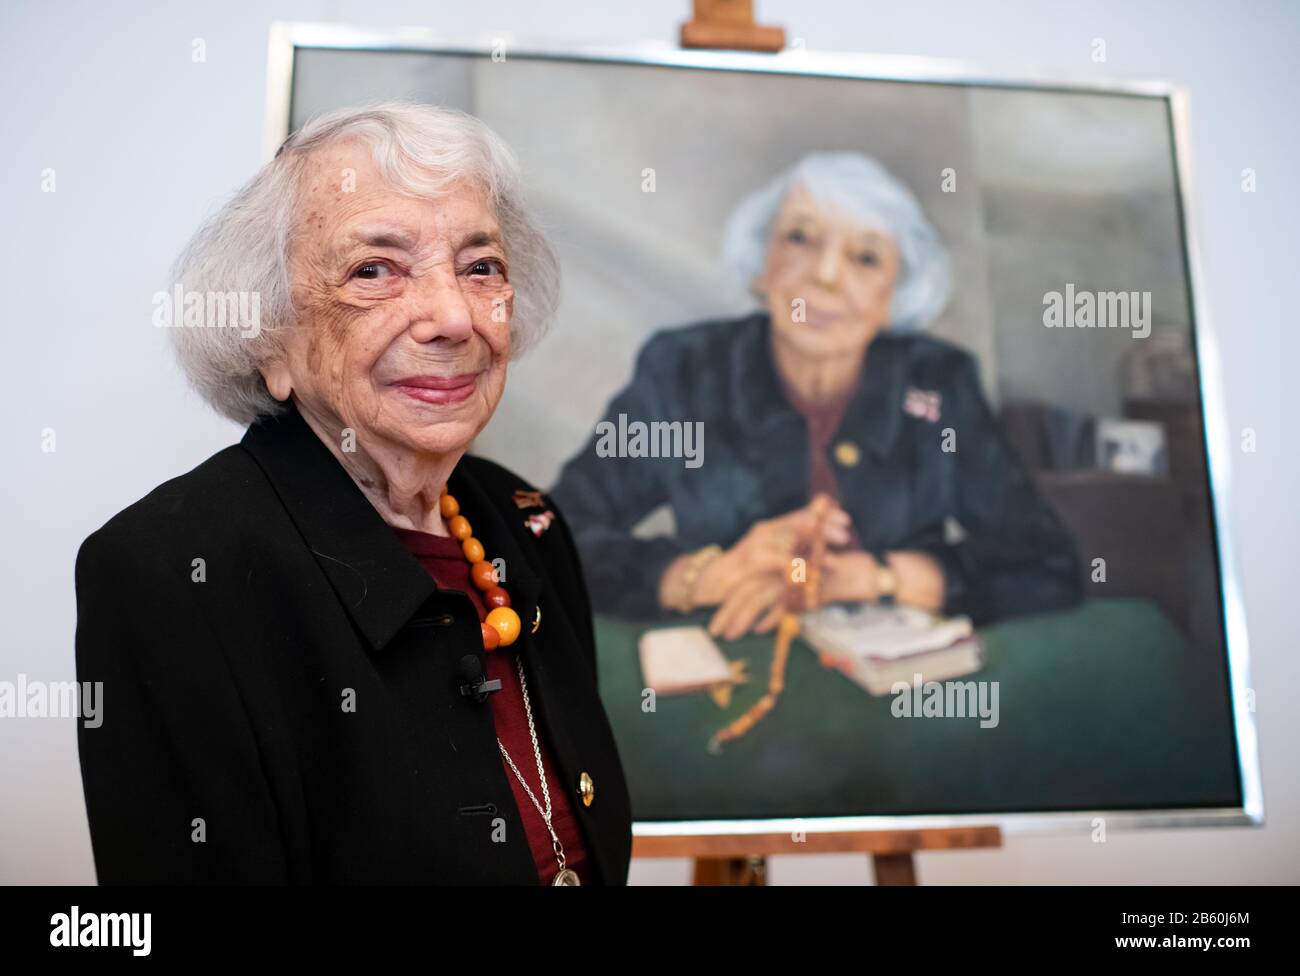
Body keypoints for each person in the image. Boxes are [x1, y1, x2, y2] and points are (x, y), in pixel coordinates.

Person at [74, 102, 632, 885]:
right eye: (375, 269)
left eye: (480, 267)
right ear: (271, 341)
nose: (452, 317)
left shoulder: (524, 520)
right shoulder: (171, 570)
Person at [550, 152, 1082, 636]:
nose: (826, 277)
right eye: (800, 239)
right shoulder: (684, 372)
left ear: (896, 294)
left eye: (866, 258)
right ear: (762, 265)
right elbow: (551, 536)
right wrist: (705, 576)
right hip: (733, 660)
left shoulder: (938, 384)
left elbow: (1047, 566)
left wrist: (872, 577)